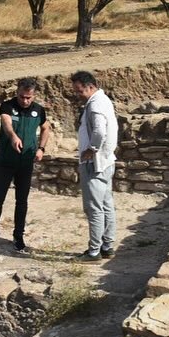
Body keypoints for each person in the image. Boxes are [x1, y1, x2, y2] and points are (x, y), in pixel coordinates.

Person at [0, 78, 51, 253]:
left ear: (33, 96)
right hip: (6, 161)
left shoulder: (38, 110)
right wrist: (12, 136)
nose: (25, 101)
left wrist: (41, 148)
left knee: (22, 201)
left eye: (29, 98)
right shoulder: (7, 106)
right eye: (21, 97)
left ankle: (18, 236)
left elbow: (45, 128)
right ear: (17, 93)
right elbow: (6, 123)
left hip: (26, 163)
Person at [71, 71, 118, 260]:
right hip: (106, 162)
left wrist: (91, 149)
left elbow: (99, 130)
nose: (78, 95)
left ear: (90, 87)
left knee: (94, 208)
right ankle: (107, 246)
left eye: (79, 91)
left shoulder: (96, 104)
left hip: (95, 163)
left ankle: (94, 251)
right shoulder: (102, 100)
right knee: (106, 205)